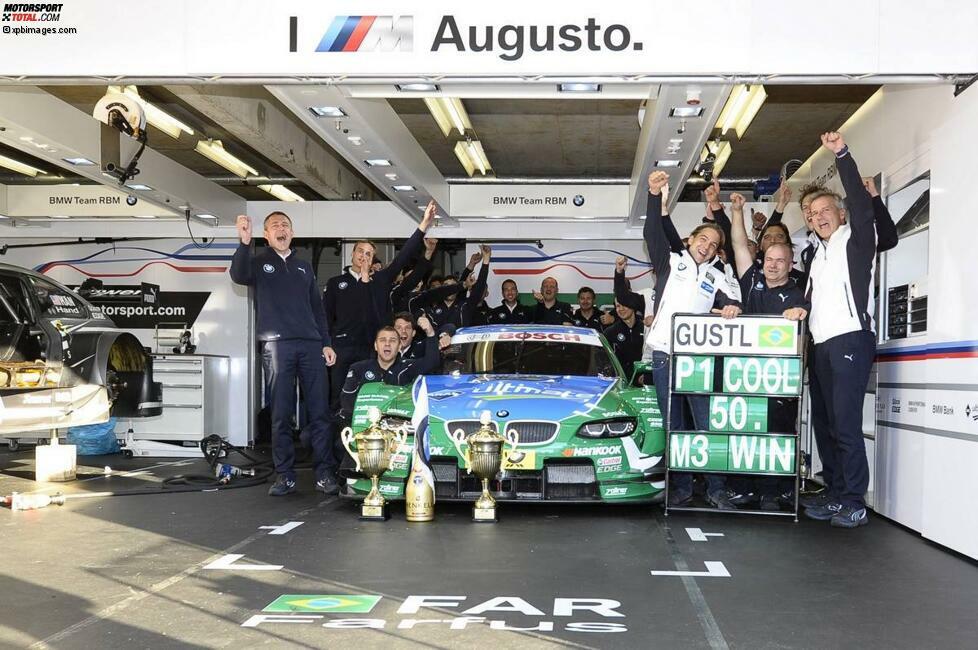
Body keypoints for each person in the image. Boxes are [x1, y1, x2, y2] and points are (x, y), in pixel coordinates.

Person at [643, 171, 743, 509]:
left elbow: (734, 301)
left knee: (706, 424)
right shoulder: (671, 261)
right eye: (703, 239)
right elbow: (652, 230)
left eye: (714, 245)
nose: (708, 246)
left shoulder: (717, 274)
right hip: (665, 356)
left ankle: (716, 489)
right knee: (675, 426)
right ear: (690, 239)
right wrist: (654, 195)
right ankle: (681, 488)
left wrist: (731, 308)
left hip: (699, 359)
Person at [229, 211, 339, 497]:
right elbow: (238, 275)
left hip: (311, 345)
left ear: (292, 232)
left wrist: (326, 342)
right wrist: (243, 242)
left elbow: (318, 308)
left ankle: (324, 473)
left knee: (320, 413)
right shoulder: (258, 262)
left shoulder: (304, 268)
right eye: (275, 226)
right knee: (281, 414)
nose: (281, 229)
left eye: (286, 225)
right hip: (278, 345)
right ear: (266, 235)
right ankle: (285, 475)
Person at [803, 132, 878, 529]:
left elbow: (863, 206)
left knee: (847, 425)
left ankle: (854, 500)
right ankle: (835, 492)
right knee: (828, 425)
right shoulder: (818, 254)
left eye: (825, 210)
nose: (818, 217)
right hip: (822, 346)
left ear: (842, 213)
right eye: (812, 215)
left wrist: (843, 155)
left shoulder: (856, 240)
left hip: (851, 339)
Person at [730, 198, 810, 510]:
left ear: (791, 265)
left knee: (777, 436)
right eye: (769, 259)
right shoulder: (752, 282)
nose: (773, 264)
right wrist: (736, 212)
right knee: (746, 434)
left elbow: (804, 324)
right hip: (747, 378)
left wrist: (798, 313)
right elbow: (738, 245)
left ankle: (773, 491)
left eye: (781, 260)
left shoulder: (798, 294)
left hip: (780, 381)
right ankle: (745, 488)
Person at [323, 202, 436, 412]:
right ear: (352, 254)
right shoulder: (336, 282)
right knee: (339, 398)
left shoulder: (381, 279)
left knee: (373, 396)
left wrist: (423, 225)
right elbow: (326, 317)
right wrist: (327, 344)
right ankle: (337, 442)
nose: (364, 257)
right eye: (360, 252)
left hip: (372, 348)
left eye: (368, 254)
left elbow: (404, 256)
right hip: (343, 348)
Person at [339, 316, 440, 422]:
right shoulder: (358, 368)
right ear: (376, 346)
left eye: (392, 340)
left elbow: (432, 362)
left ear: (399, 346)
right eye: (382, 340)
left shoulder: (408, 367)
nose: (387, 344)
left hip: (398, 427)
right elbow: (346, 400)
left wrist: (430, 333)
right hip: (363, 426)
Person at [602, 292, 645, 381]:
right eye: (618, 306)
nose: (621, 309)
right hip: (620, 383)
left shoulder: (646, 328)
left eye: (624, 305)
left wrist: (647, 376)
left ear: (633, 306)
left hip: (644, 381)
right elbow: (605, 361)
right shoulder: (610, 332)